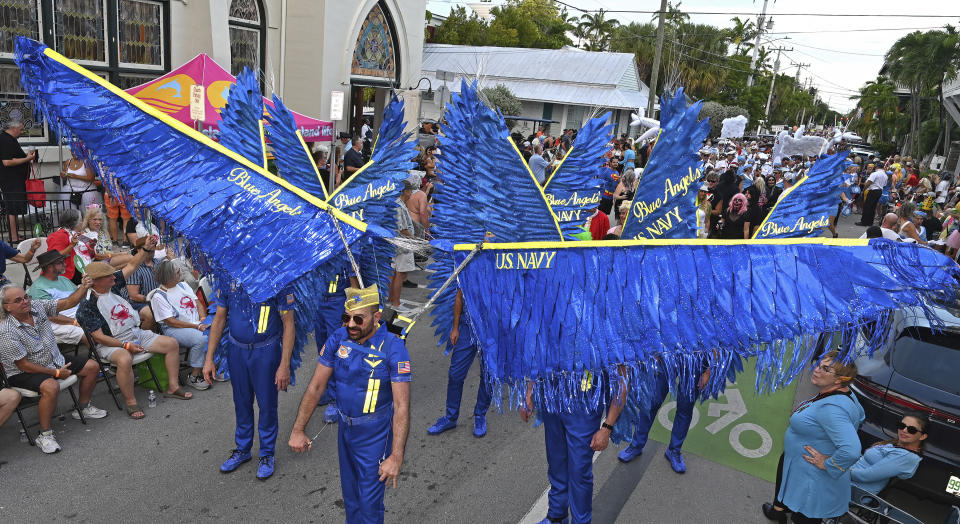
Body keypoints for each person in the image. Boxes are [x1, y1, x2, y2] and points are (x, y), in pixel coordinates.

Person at [289, 284, 411, 523]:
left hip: (375, 434)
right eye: (346, 318)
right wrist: (297, 429)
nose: (351, 324)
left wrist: (396, 456)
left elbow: (402, 407)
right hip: (345, 430)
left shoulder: (394, 349)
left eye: (358, 318)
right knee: (351, 498)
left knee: (369, 504)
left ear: (376, 317)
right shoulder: (338, 337)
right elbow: (315, 387)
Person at [0, 279, 107, 453]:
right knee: (51, 386)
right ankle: (45, 434)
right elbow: (24, 365)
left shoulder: (37, 306)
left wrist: (84, 287)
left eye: (25, 296)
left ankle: (82, 407)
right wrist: (55, 372)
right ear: (7, 307)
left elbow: (68, 302)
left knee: (92, 367)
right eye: (18, 300)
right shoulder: (6, 331)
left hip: (52, 359)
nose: (25, 301)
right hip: (23, 371)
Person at [202, 278, 295, 480]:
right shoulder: (226, 277)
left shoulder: (276, 279)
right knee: (241, 402)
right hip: (237, 351)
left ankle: (266, 454)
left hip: (266, 352)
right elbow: (219, 318)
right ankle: (243, 449)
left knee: (267, 404)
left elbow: (288, 323)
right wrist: (209, 358)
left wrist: (284, 365)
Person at [77, 258, 191, 420]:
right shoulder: (87, 305)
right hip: (110, 342)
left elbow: (131, 265)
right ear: (96, 281)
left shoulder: (112, 287)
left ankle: (173, 387)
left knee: (171, 344)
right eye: (109, 276)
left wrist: (144, 250)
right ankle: (131, 402)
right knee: (124, 359)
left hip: (134, 332)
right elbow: (100, 337)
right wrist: (125, 345)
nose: (114, 278)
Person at [762, 350, 864, 524]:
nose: (816, 369)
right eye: (818, 364)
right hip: (801, 466)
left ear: (839, 379)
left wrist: (828, 463)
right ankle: (778, 511)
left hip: (813, 478)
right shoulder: (844, 393)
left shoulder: (832, 409)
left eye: (825, 369)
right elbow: (860, 417)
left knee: (804, 519)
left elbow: (852, 450)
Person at [523, 369, 626, 524]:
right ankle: (557, 516)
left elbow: (622, 378)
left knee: (579, 473)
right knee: (556, 463)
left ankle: (581, 521)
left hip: (584, 405)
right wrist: (529, 391)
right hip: (552, 396)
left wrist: (607, 427)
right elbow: (539, 350)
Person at [618, 359, 711, 474]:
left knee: (685, 408)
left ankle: (674, 451)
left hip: (697, 362)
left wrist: (708, 371)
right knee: (651, 403)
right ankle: (636, 445)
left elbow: (719, 341)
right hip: (669, 355)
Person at [427, 289, 491, 438]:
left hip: (492, 331)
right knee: (455, 375)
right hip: (467, 328)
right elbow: (459, 296)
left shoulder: (503, 266)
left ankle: (480, 415)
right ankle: (450, 417)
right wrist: (455, 327)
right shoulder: (467, 265)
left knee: (488, 375)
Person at [150, 260, 209, 391]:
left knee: (219, 327)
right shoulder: (159, 297)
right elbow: (171, 322)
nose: (180, 273)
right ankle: (194, 376)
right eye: (177, 272)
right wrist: (196, 326)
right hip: (174, 329)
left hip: (195, 323)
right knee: (202, 338)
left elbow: (198, 303)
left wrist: (203, 319)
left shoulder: (183, 285)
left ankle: (212, 366)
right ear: (169, 277)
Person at [846, 412, 927, 494]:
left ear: (922, 436)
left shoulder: (906, 457)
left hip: (853, 489)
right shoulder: (897, 445)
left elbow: (865, 476)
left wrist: (839, 469)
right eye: (901, 426)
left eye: (912, 430)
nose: (904, 430)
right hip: (847, 479)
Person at [26, 250, 86, 346]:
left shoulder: (63, 279)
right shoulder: (38, 288)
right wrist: (74, 322)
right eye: (60, 262)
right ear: (49, 267)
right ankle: (96, 356)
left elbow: (78, 296)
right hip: (58, 323)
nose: (65, 264)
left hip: (78, 315)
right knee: (90, 333)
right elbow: (50, 316)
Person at [0, 121, 35, 243]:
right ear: (13, 128)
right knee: (12, 207)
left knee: (14, 206)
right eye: (20, 129)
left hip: (15, 179)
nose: (22, 132)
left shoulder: (10, 139)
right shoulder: (5, 139)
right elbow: (7, 162)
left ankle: (15, 233)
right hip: (10, 180)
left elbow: (14, 157)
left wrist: (26, 157)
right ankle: (13, 236)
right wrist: (27, 158)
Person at [388, 180, 416, 311]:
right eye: (410, 191)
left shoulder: (399, 204)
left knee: (394, 273)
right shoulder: (398, 205)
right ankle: (396, 303)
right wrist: (414, 240)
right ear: (405, 191)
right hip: (402, 244)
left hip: (399, 244)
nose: (411, 194)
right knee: (399, 274)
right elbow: (403, 228)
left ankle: (390, 300)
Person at [44, 208, 84, 285]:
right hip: (64, 273)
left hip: (76, 267)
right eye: (81, 220)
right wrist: (71, 246)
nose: (82, 223)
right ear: (75, 223)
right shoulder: (58, 236)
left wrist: (91, 246)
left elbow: (87, 254)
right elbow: (53, 257)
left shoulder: (76, 234)